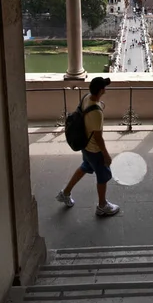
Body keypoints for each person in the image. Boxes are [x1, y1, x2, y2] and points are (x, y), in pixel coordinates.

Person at [56, 77, 119, 216]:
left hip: (85, 145)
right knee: (103, 177)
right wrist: (106, 155)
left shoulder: (86, 97)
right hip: (94, 149)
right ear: (102, 90)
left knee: (85, 167)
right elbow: (98, 137)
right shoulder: (96, 112)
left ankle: (65, 193)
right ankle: (102, 206)